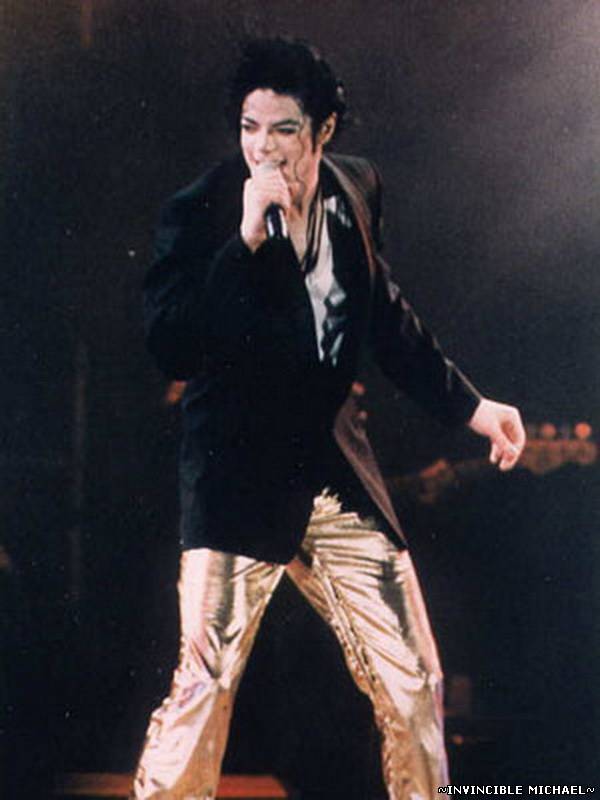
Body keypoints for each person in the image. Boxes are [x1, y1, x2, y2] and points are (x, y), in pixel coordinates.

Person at [133, 37, 525, 800]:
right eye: (249, 128)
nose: (263, 148)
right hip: (237, 479)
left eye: (283, 129)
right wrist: (245, 241)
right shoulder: (202, 208)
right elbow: (171, 344)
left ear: (323, 131)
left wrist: (473, 408)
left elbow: (385, 318)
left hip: (333, 474)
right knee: (205, 685)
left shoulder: (357, 187)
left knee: (414, 679)